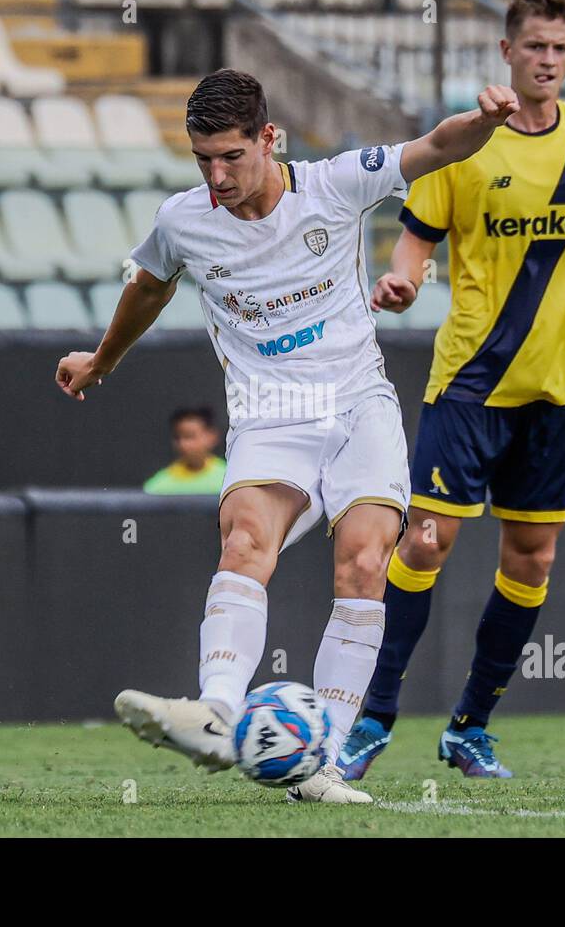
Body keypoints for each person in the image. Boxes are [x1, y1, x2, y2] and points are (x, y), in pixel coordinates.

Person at [56, 68, 519, 803]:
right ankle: (215, 712)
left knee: (367, 562)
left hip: (359, 402)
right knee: (244, 539)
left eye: (231, 156)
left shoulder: (335, 184)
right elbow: (148, 285)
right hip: (271, 408)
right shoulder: (184, 220)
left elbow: (435, 145)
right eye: (202, 158)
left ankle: (323, 763)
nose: (217, 175)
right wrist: (101, 359)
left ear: (269, 139)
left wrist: (489, 121)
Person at [338, 0, 565, 781]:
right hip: (469, 383)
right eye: (534, 46)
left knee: (532, 559)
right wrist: (398, 285)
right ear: (506, 51)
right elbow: (415, 244)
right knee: (425, 542)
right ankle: (373, 716)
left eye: (561, 50)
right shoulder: (470, 142)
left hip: (556, 392)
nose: (548, 61)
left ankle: (470, 726)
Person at [142, 407, 227, 496]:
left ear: (211, 436)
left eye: (189, 436)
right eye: (177, 437)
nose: (182, 444)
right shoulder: (157, 487)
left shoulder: (229, 479)